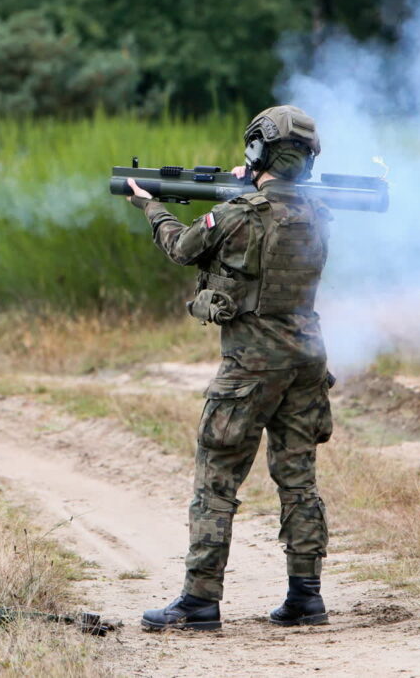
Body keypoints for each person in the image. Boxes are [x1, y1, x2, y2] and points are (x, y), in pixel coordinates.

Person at [125, 105, 334, 630]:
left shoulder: (240, 213)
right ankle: (306, 598)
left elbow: (181, 248)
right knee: (298, 480)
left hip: (251, 368)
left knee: (217, 477)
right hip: (307, 361)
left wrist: (151, 207)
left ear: (257, 150)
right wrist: (253, 187)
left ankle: (199, 601)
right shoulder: (319, 214)